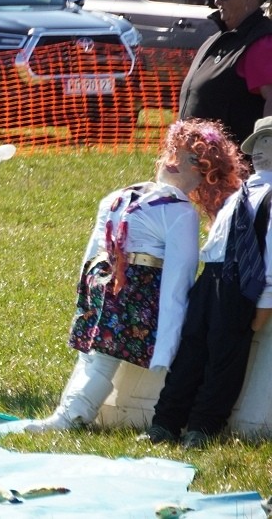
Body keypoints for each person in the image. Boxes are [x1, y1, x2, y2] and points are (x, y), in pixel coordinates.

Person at [25, 119, 244, 433]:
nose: (176, 161)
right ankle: (67, 413)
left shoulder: (180, 213)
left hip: (135, 295)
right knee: (90, 353)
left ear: (204, 175)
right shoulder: (125, 194)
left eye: (191, 160)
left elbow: (178, 280)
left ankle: (71, 417)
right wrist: (84, 286)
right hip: (106, 285)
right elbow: (96, 244)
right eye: (175, 151)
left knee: (100, 357)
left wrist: (167, 344)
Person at [142, 116, 272, 448]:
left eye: (269, 143)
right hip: (210, 276)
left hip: (240, 281)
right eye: (257, 144)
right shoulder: (242, 191)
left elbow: (270, 250)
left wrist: (263, 303)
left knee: (224, 357)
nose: (260, 151)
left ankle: (204, 426)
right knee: (191, 348)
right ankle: (166, 422)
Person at [178, 0, 272, 148]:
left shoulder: (261, 43)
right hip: (200, 162)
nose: (217, 1)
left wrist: (267, 151)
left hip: (235, 167)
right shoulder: (218, 39)